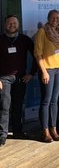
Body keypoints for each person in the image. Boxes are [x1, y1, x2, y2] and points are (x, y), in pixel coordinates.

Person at [0, 15, 36, 145]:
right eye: (9, 23)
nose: (12, 25)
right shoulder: (1, 39)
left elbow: (37, 55)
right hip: (4, 78)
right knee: (4, 107)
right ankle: (2, 135)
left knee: (18, 105)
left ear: (18, 25)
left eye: (14, 23)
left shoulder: (24, 40)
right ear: (5, 25)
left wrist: (32, 73)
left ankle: (17, 131)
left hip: (21, 78)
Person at [34, 10, 59, 142]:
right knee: (46, 101)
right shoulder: (42, 32)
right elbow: (38, 53)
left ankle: (54, 129)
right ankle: (45, 131)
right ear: (48, 18)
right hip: (47, 70)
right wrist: (43, 71)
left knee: (55, 101)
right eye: (53, 17)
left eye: (58, 18)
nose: (56, 19)